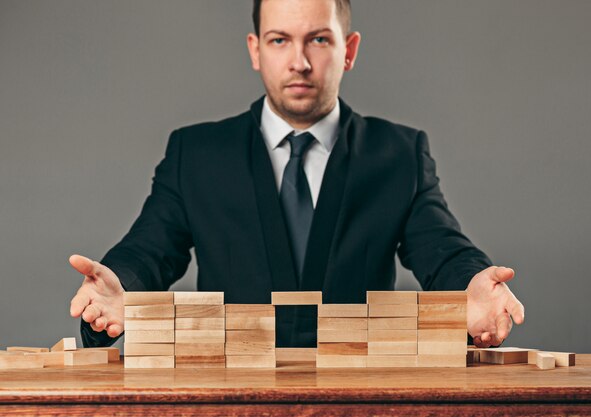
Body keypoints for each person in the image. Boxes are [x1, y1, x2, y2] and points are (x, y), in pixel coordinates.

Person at [69, 0, 524, 349]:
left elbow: (443, 251)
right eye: (279, 40)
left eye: (319, 40)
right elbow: (149, 251)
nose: (300, 61)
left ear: (349, 50)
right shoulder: (196, 154)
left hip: (357, 403)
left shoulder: (399, 154)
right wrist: (117, 289)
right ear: (255, 50)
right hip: (231, 404)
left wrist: (472, 287)